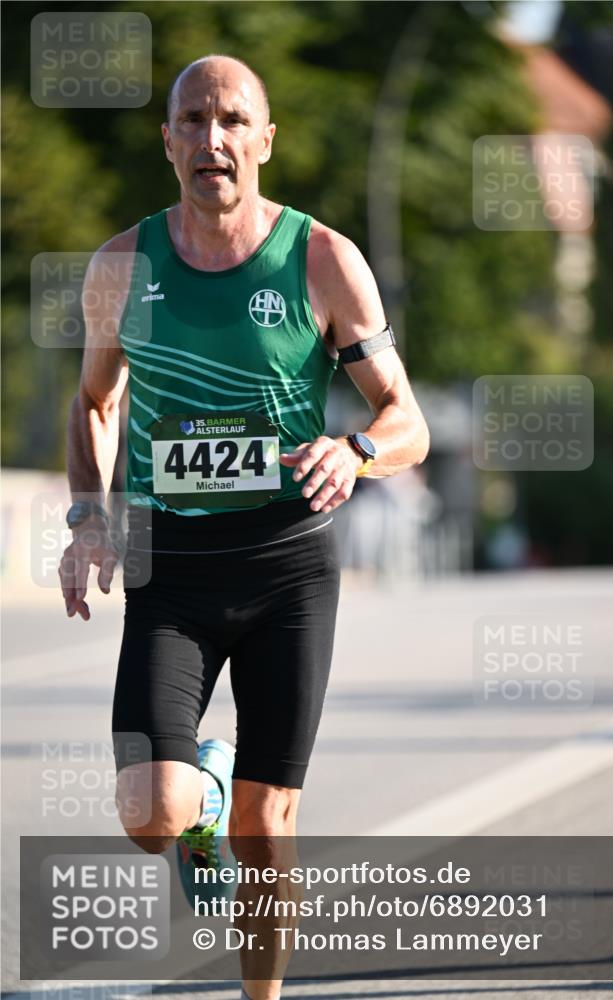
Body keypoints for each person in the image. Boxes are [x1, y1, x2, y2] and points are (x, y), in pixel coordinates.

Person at [58, 54, 430, 1000]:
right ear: (168, 141)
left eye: (231, 121)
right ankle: (200, 799)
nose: (211, 140)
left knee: (271, 827)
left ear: (264, 140)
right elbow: (94, 403)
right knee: (150, 811)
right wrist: (90, 515)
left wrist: (353, 453)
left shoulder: (322, 260)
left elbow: (406, 421)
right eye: (191, 121)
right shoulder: (122, 266)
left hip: (287, 567)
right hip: (172, 570)